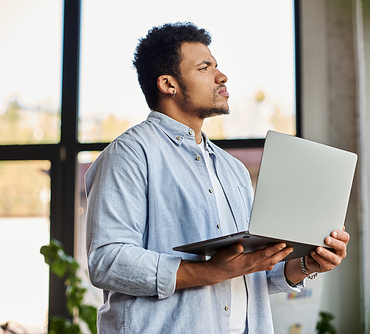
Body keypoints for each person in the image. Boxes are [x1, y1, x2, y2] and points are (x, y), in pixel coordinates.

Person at [85, 22, 350, 334]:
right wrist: (208, 272)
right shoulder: (129, 154)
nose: (221, 76)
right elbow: (108, 261)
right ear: (168, 84)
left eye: (217, 66)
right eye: (204, 67)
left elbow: (249, 274)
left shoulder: (232, 169)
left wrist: (307, 264)